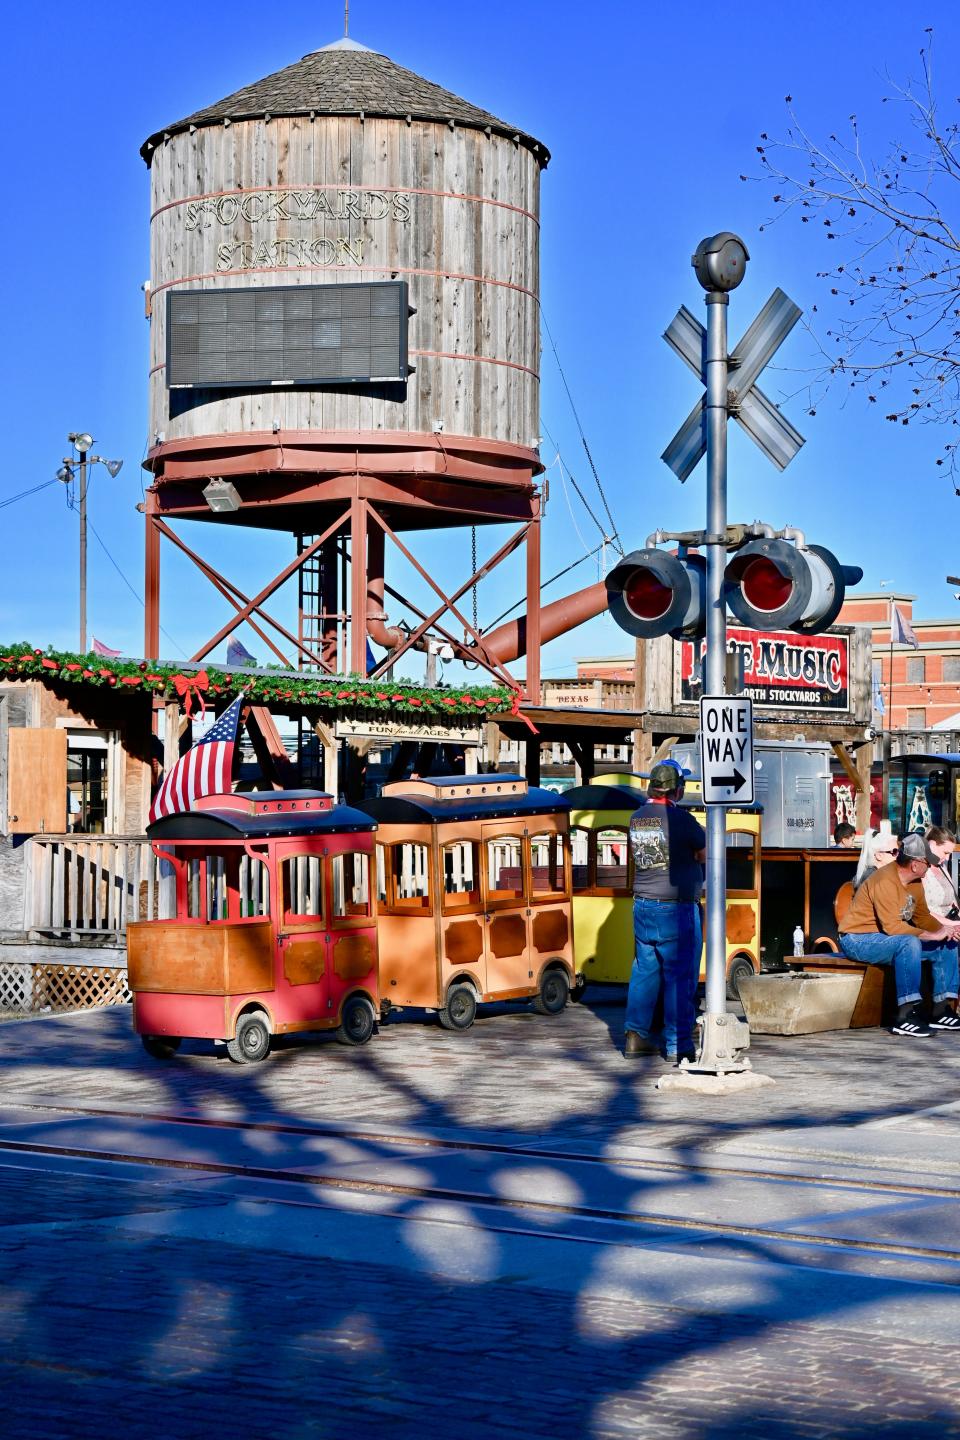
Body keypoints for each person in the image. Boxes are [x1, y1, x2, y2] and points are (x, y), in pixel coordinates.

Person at [839, 833, 960, 1037]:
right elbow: (893, 928)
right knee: (909, 943)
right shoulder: (884, 880)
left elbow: (922, 918)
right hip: (857, 939)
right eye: (927, 863)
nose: (930, 867)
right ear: (915, 864)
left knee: (947, 943)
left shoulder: (915, 882)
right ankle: (904, 1016)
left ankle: (941, 1010)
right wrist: (933, 935)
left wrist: (946, 931)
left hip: (885, 938)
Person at [624, 762, 705, 1061]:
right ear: (677, 790)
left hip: (643, 905)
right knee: (678, 976)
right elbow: (703, 852)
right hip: (675, 909)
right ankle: (677, 1044)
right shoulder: (681, 819)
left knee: (644, 971)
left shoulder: (637, 818)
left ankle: (636, 1036)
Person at [921, 826, 960, 1031]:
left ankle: (946, 1006)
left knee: (952, 937)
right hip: (930, 926)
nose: (946, 858)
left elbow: (952, 902)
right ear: (931, 844)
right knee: (949, 942)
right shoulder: (920, 869)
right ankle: (940, 1008)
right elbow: (922, 911)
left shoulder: (942, 868)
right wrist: (952, 925)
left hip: (949, 923)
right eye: (945, 852)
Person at [853, 825, 899, 891]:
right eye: (894, 852)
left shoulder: (882, 873)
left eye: (898, 851)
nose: (898, 855)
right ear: (879, 856)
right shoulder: (872, 877)